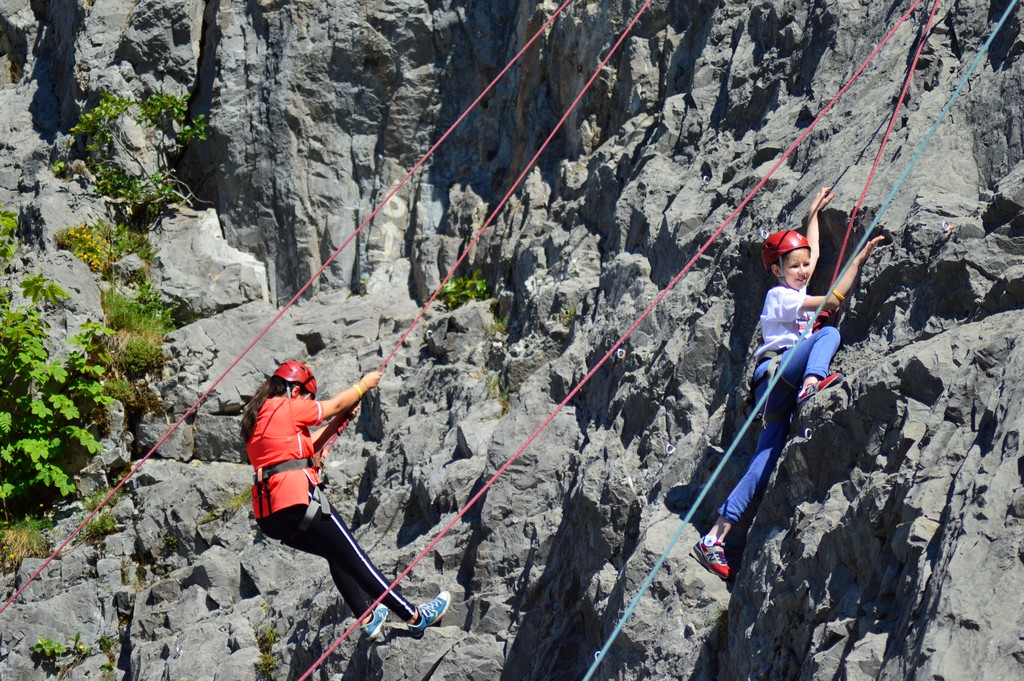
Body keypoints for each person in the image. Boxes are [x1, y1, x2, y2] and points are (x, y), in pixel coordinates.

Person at [692, 187, 885, 580]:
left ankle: (714, 537)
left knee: (761, 468)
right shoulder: (779, 297)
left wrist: (813, 217)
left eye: (803, 265)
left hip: (773, 399)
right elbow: (831, 303)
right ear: (777, 270)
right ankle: (813, 381)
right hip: (777, 376)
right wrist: (856, 263)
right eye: (793, 266)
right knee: (828, 334)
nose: (802, 270)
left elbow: (810, 255)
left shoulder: (794, 285)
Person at [240, 360, 450, 638]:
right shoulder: (286, 406)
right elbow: (334, 405)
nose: (306, 401)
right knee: (356, 560)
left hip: (271, 517)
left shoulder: (259, 419)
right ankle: (413, 616)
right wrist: (363, 385)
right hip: (298, 499)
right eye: (306, 396)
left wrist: (340, 424)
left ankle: (368, 618)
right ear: (294, 389)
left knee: (336, 554)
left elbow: (305, 448)